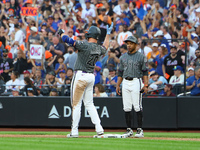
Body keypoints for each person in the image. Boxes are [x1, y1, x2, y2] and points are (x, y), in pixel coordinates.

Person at [58, 22, 113, 137]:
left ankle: (74, 131)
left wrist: (61, 33)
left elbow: (68, 40)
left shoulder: (84, 44)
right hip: (90, 76)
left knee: (76, 104)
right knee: (89, 104)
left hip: (80, 76)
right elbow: (106, 46)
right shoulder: (98, 48)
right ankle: (99, 128)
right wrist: (108, 34)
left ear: (90, 35)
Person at [116, 36, 148, 138]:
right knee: (126, 107)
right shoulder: (123, 57)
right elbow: (120, 72)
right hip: (125, 81)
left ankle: (140, 130)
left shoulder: (141, 56)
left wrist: (146, 85)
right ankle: (129, 130)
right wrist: (118, 85)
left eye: (131, 43)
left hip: (136, 80)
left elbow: (145, 71)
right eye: (127, 43)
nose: (128, 45)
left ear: (135, 44)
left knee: (137, 106)